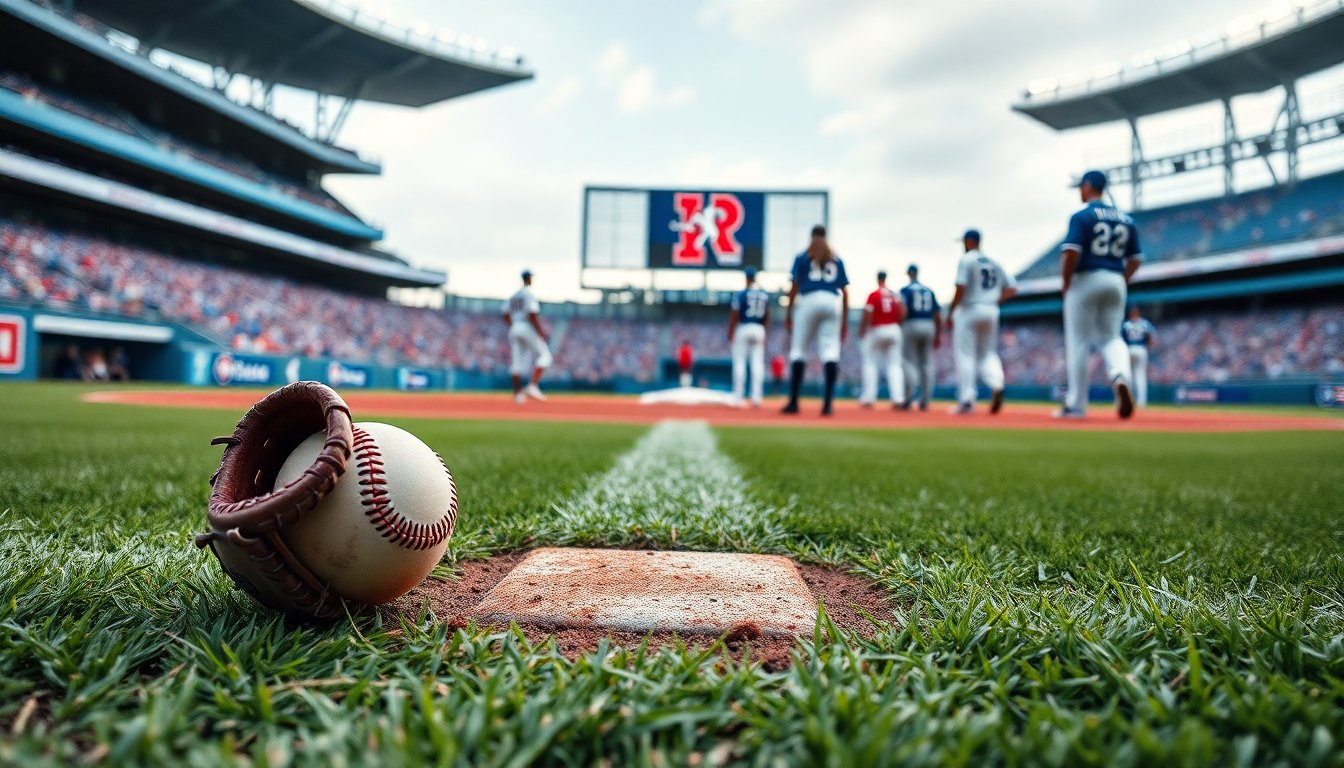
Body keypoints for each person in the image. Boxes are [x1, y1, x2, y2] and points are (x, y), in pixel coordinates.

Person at [1057, 170, 1142, 419]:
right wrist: (1121, 279)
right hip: (1116, 277)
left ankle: (1076, 404)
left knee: (1079, 341)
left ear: (1088, 186)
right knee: (1111, 338)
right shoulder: (1126, 218)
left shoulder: (1082, 215)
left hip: (1086, 278)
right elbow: (1136, 259)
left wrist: (1066, 282)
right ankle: (1120, 376)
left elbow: (1071, 252)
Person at [946, 229, 1016, 415]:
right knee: (987, 353)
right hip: (991, 310)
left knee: (965, 354)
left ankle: (967, 399)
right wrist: (993, 300)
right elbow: (1012, 288)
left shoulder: (967, 259)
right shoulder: (994, 261)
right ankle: (997, 383)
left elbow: (960, 287)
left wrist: (951, 311)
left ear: (970, 242)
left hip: (970, 308)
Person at [782, 224, 849, 416]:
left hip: (809, 300)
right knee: (830, 352)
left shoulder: (802, 257)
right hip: (832, 302)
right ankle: (827, 405)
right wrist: (843, 321)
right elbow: (845, 292)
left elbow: (794, 287)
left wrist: (788, 314)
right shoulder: (836, 259)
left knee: (798, 351)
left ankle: (794, 402)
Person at [503, 269, 552, 404]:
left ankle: (518, 395)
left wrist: (514, 325)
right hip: (526, 326)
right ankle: (532, 385)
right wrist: (540, 332)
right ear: (528, 279)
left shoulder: (514, 295)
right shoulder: (529, 294)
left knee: (516, 363)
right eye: (531, 278)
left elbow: (505, 314)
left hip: (515, 327)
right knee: (545, 355)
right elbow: (532, 315)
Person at [858, 270, 905, 408]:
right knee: (895, 365)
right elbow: (903, 311)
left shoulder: (874, 295)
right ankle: (898, 398)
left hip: (877, 329)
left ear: (877, 279)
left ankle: (868, 397)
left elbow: (868, 312)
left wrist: (863, 329)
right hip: (894, 329)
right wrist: (896, 324)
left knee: (870, 363)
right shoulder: (895, 295)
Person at [898, 263, 941, 411]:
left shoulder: (905, 290)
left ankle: (908, 398)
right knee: (926, 363)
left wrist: (899, 325)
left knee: (908, 361)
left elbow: (903, 310)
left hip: (912, 323)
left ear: (909, 274)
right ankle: (925, 400)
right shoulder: (928, 290)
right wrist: (938, 333)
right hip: (929, 324)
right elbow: (937, 313)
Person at [728, 266, 769, 407]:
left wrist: (731, 332)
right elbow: (767, 316)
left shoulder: (740, 294)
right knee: (757, 364)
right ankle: (756, 397)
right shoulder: (764, 294)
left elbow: (735, 314)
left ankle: (738, 398)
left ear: (746, 278)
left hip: (744, 326)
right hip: (759, 328)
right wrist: (764, 332)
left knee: (740, 363)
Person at [1121, 306, 1156, 407]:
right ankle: (1141, 402)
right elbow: (1151, 337)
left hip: (1129, 349)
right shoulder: (1144, 323)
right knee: (1140, 376)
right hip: (1141, 349)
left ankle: (1128, 400)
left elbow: (1120, 339)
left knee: (1128, 376)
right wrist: (1147, 347)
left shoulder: (1126, 324)